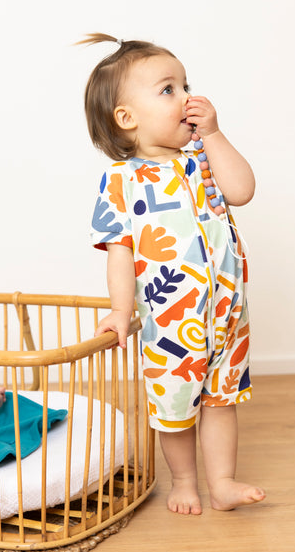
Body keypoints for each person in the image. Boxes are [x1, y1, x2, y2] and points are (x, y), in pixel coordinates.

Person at [83, 32, 265, 515]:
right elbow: (119, 252)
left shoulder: (203, 159)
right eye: (169, 89)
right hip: (169, 321)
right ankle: (184, 482)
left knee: (221, 401)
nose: (186, 97)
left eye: (187, 85)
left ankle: (222, 482)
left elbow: (242, 191)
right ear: (127, 118)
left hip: (227, 313)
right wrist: (120, 310)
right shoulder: (121, 180)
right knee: (176, 409)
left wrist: (215, 135)